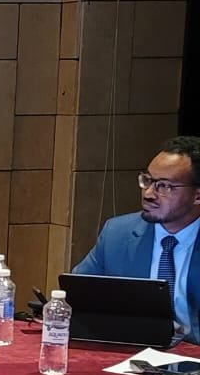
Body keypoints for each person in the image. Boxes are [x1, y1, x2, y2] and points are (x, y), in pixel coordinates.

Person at [73, 136, 200, 343]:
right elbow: (76, 296)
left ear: (197, 196)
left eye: (164, 186)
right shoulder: (117, 234)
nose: (148, 193)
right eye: (147, 180)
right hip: (133, 352)